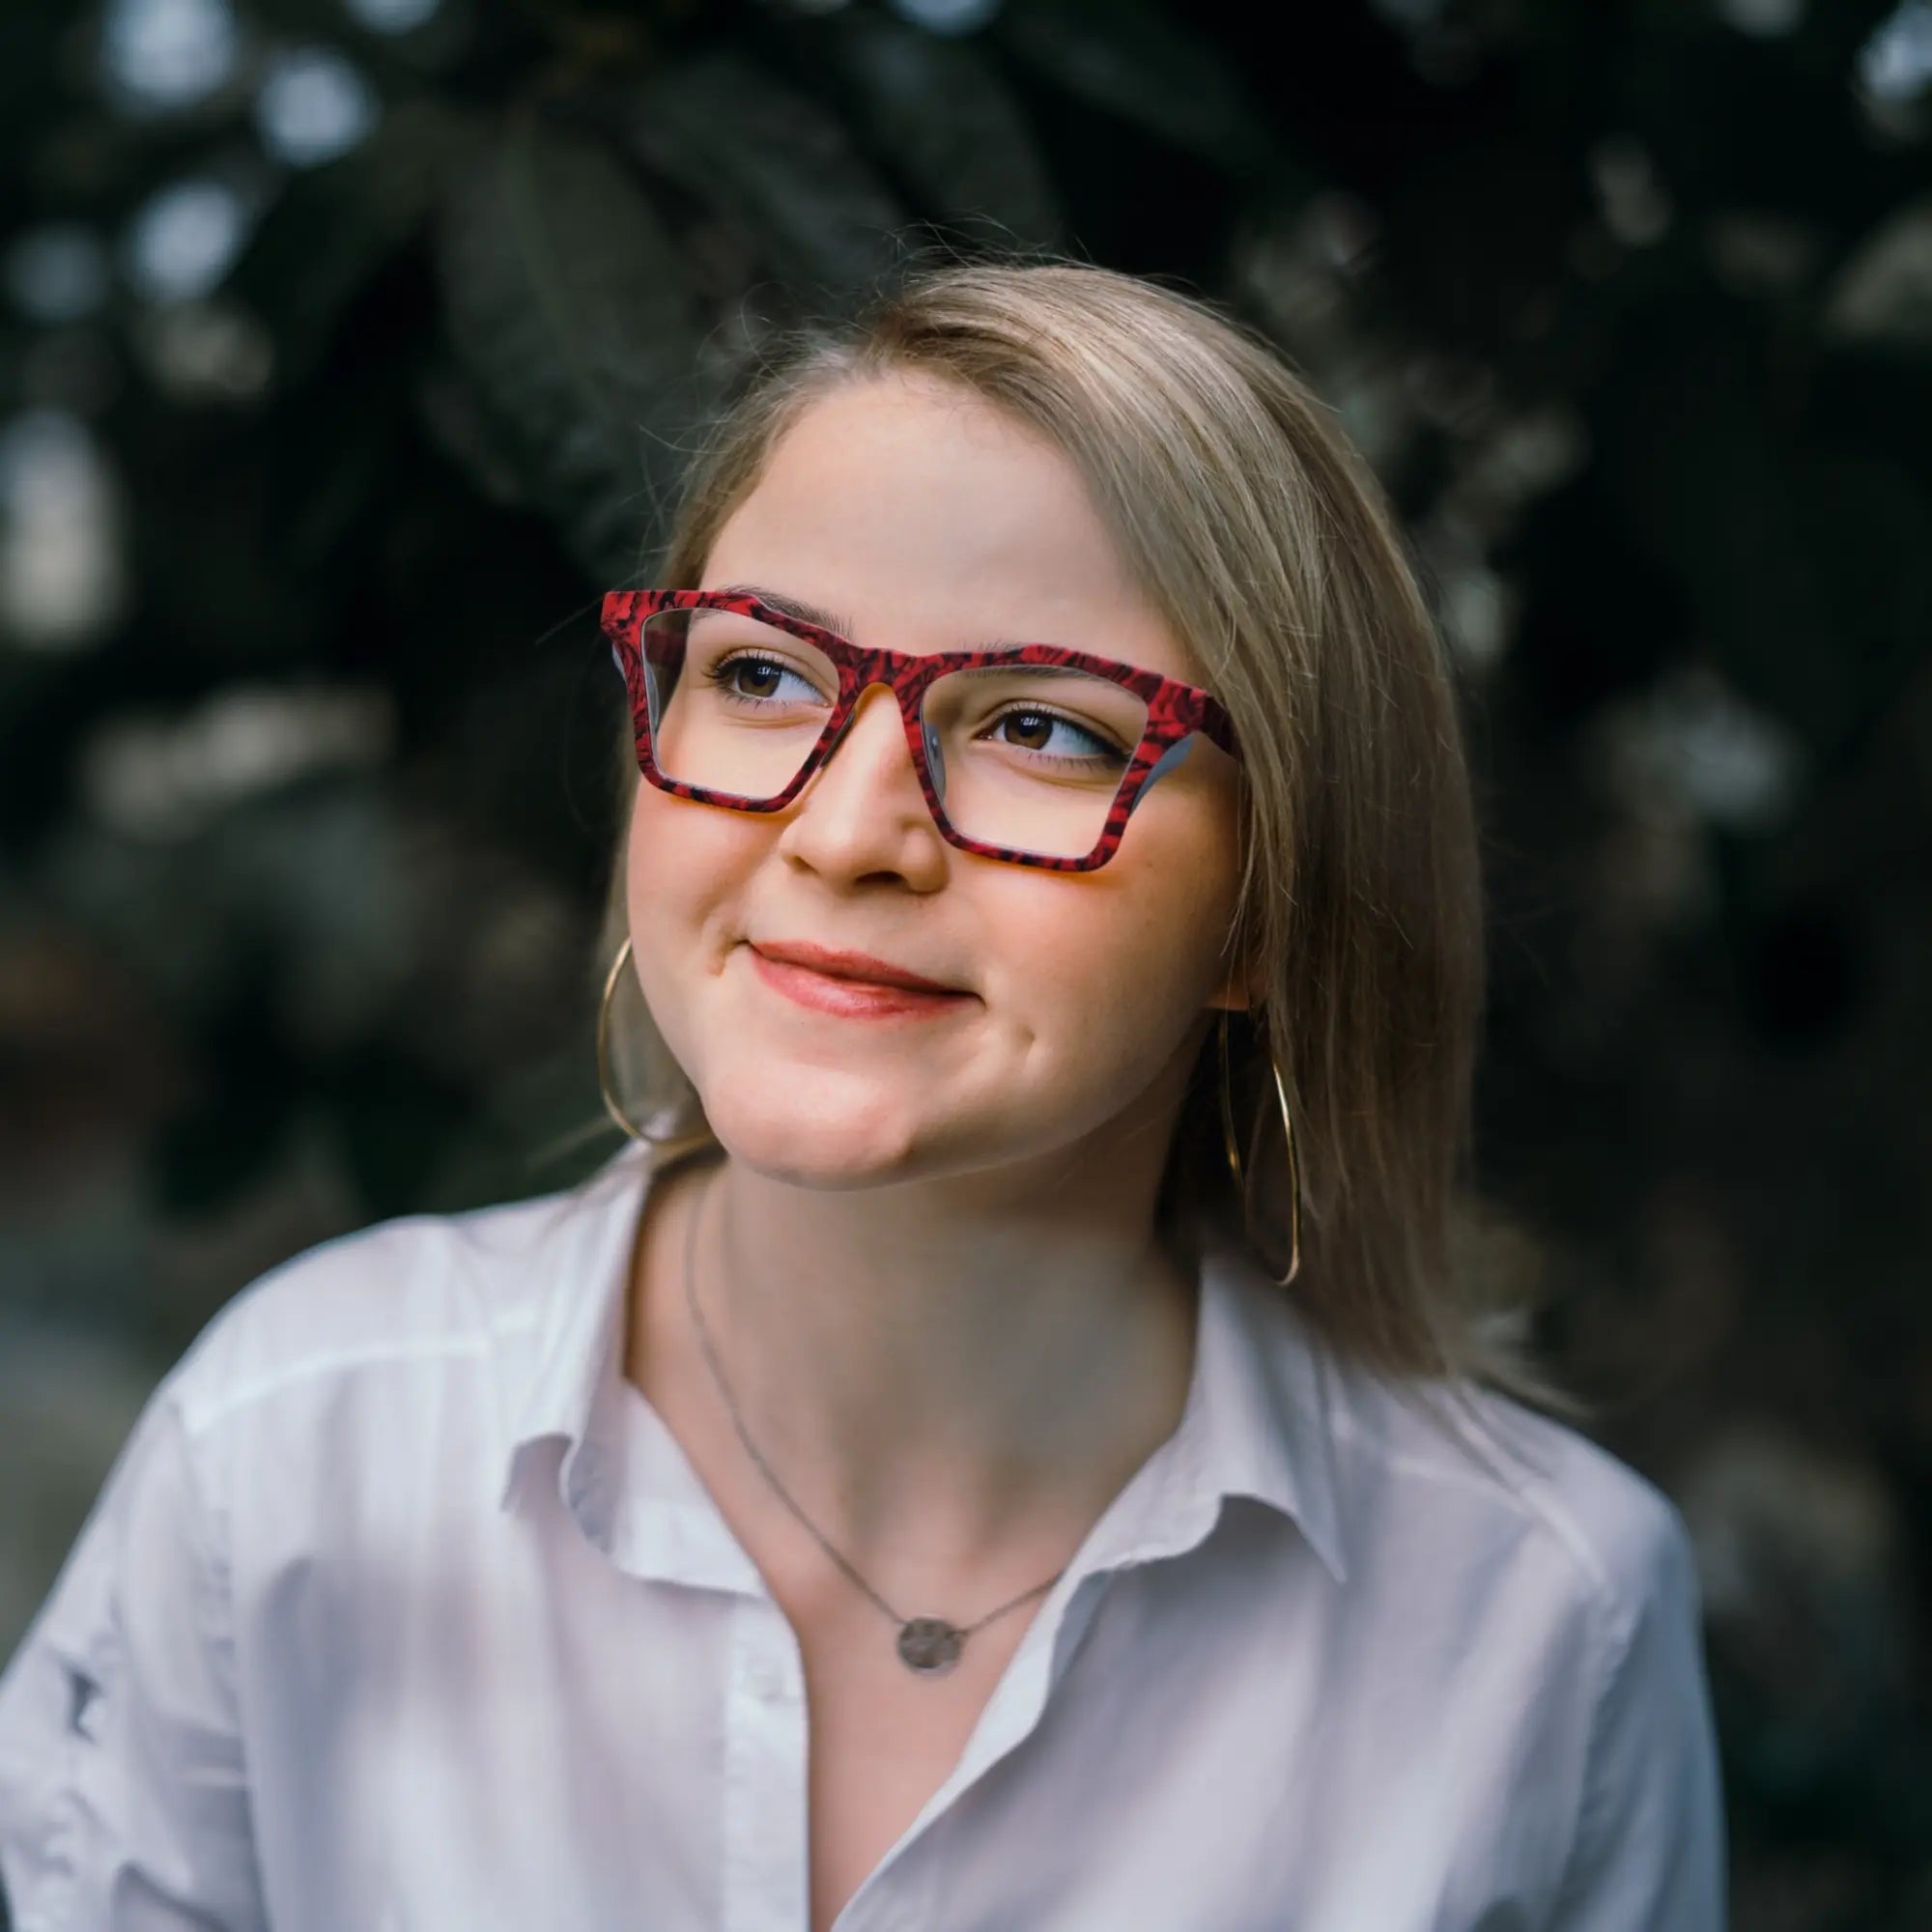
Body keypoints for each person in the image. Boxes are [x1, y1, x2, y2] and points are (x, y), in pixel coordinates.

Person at [0, 259, 1725, 1930]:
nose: (843, 833)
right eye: (761, 674)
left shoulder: (1541, 1624)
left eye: (1046, 727)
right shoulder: (289, 1451)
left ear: (1269, 911)